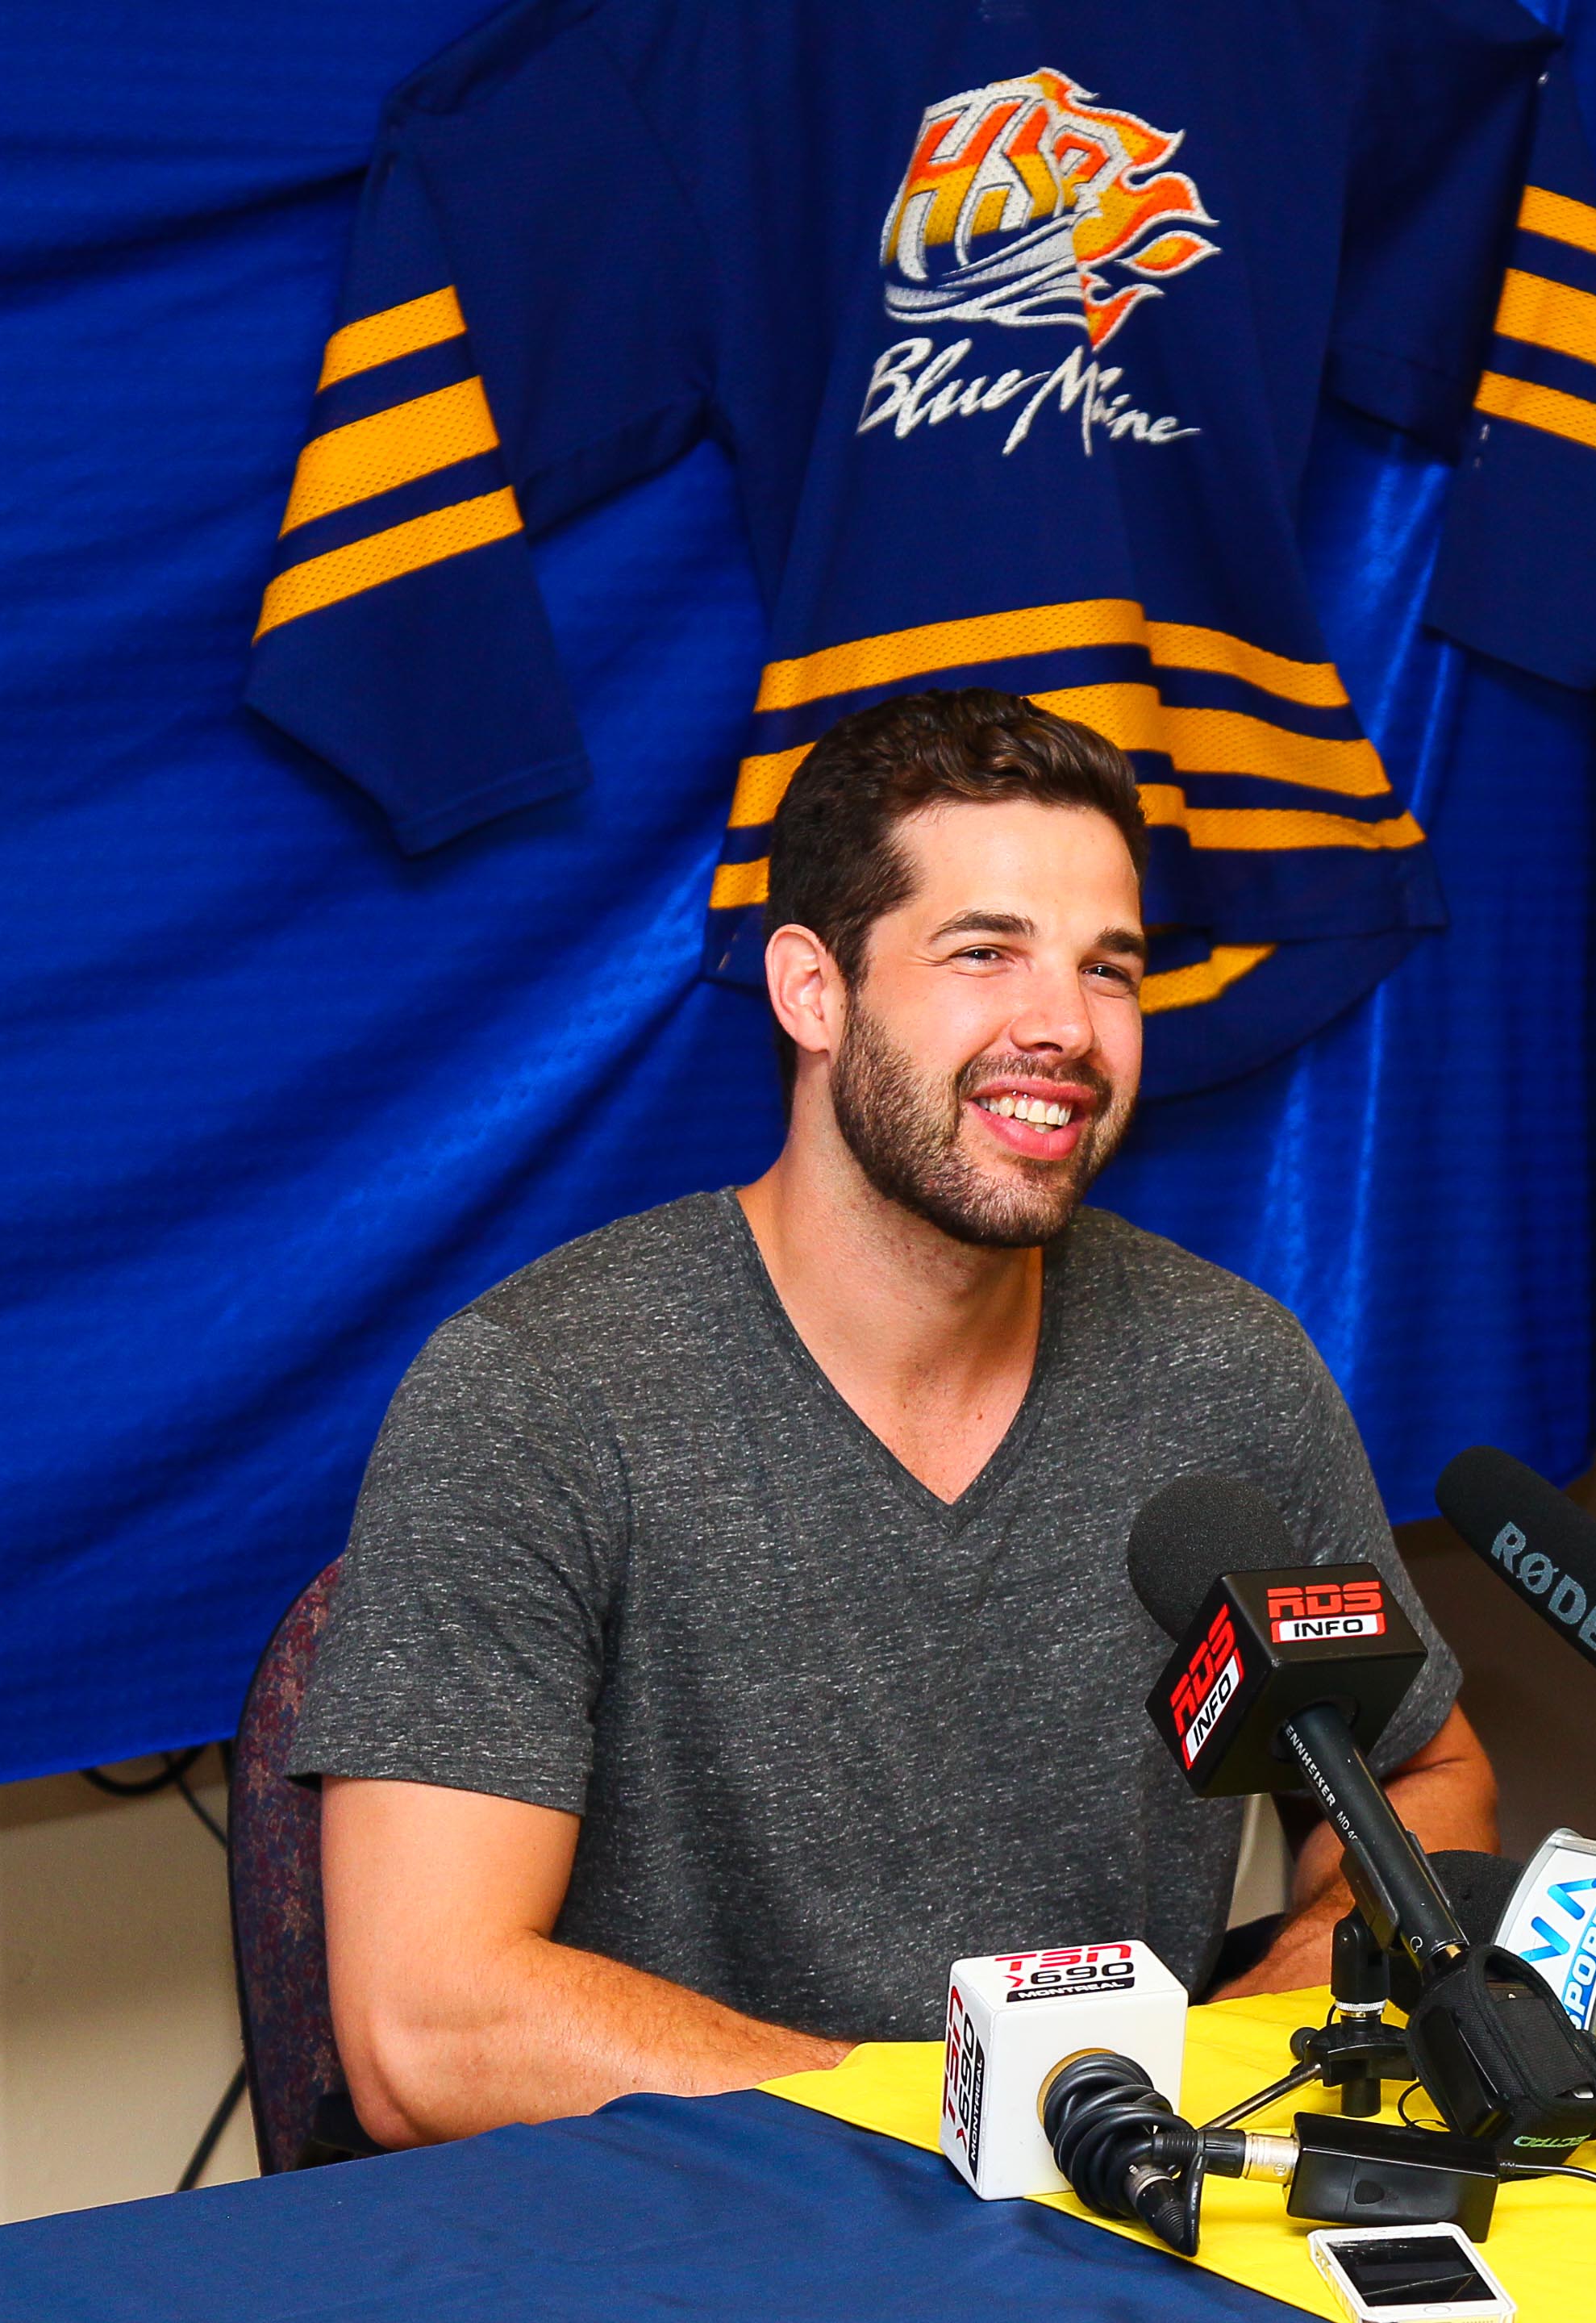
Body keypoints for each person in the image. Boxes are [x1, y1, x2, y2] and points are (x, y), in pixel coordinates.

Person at [295, 689, 1493, 2149]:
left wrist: (1276, 2020)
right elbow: (428, 2024)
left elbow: (1425, 1772)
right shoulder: (538, 1393)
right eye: (984, 952)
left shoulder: (1225, 1370)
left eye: (1109, 969)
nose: (1064, 1026)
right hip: (692, 2237)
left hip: (1115, 2215)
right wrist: (946, 2126)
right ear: (813, 991)